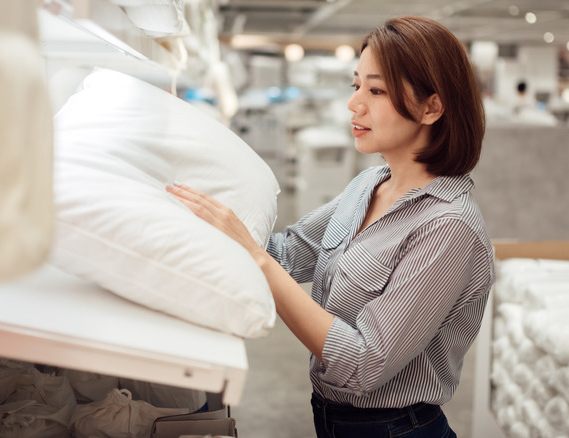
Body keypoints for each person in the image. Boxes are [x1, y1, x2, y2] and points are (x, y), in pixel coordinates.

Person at [167, 15, 494, 438]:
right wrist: (200, 217)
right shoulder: (368, 185)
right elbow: (289, 254)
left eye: (377, 90)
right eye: (356, 85)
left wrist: (251, 255)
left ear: (431, 106)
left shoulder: (449, 228)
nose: (354, 104)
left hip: (397, 429)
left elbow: (361, 363)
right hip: (333, 419)